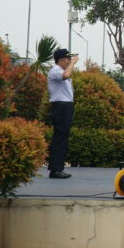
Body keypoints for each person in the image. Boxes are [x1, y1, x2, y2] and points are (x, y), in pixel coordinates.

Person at [47, 48, 78, 179]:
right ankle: (55, 169)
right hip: (60, 106)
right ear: (60, 60)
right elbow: (66, 75)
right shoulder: (55, 71)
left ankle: (57, 167)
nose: (69, 61)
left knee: (62, 137)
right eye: (67, 59)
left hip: (65, 106)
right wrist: (73, 63)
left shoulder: (60, 71)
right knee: (60, 138)